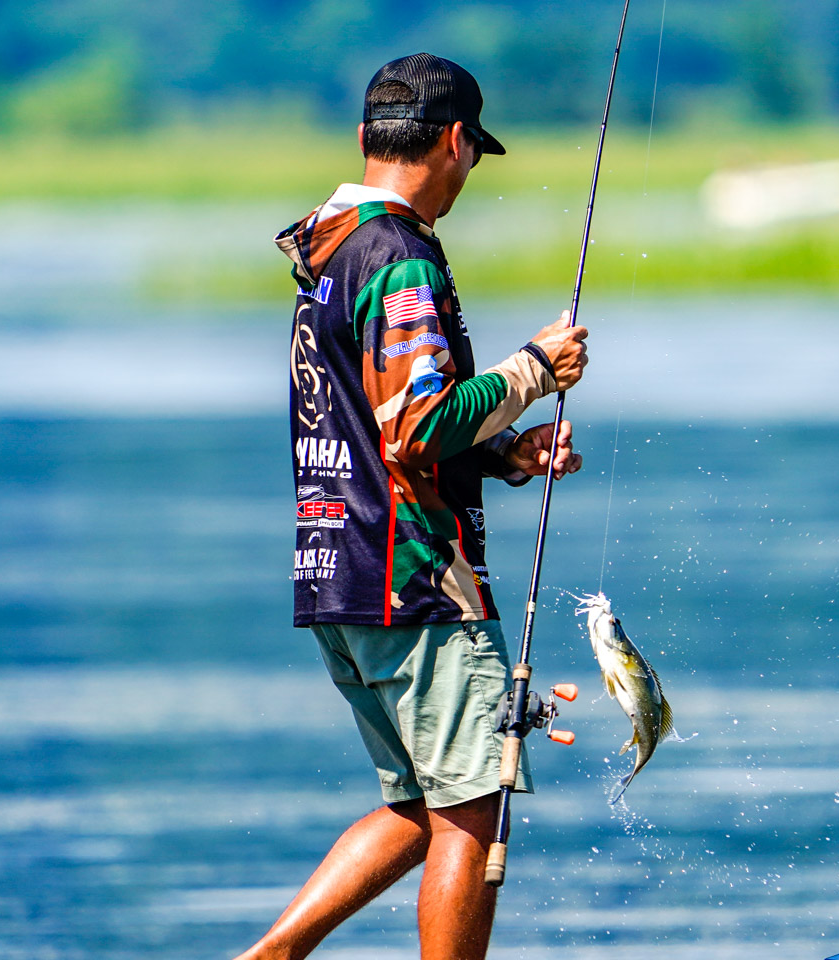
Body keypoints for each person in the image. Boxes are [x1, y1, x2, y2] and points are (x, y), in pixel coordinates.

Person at [241, 53, 588, 960]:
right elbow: (418, 425)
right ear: (456, 141)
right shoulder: (398, 256)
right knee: (474, 806)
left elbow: (376, 420)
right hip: (414, 579)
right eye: (473, 155)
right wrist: (532, 372)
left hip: (338, 569)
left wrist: (503, 453)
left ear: (366, 137)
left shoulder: (332, 250)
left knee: (416, 806)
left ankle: (271, 955)